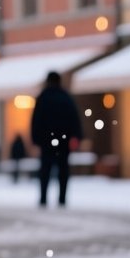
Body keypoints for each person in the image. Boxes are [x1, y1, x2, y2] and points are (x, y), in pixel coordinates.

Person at [29, 71, 81, 208]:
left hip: (46, 141)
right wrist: (75, 136)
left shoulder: (43, 97)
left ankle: (43, 198)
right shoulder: (65, 97)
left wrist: (36, 139)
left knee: (45, 170)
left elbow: (36, 120)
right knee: (63, 170)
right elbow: (74, 119)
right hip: (64, 141)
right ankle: (62, 198)